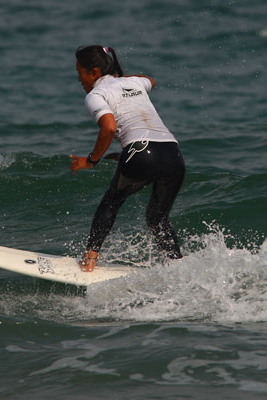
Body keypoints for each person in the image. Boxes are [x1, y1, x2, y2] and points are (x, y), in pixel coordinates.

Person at [70, 45, 185, 272]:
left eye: (80, 73)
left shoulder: (96, 95)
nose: (79, 79)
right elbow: (150, 80)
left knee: (111, 202)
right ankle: (177, 267)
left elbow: (109, 127)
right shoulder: (135, 82)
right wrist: (121, 78)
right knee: (157, 219)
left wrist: (91, 160)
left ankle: (90, 260)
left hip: (141, 151)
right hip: (173, 154)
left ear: (94, 73)